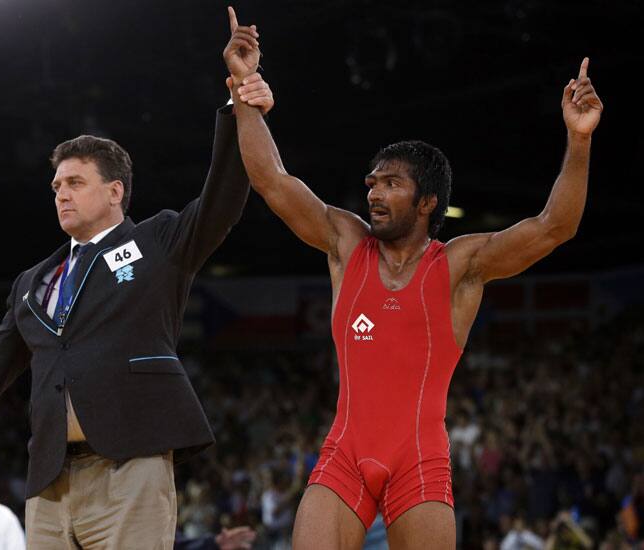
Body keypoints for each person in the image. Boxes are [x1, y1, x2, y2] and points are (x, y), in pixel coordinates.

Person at [225, 11, 603, 547]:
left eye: (391, 183)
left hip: (419, 463)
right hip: (345, 455)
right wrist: (243, 88)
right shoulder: (346, 242)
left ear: (427, 203)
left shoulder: (458, 265)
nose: (374, 192)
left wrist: (580, 142)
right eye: (372, 181)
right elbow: (272, 180)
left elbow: (554, 227)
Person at [0, 10, 274, 547]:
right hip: (50, 481)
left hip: (133, 464)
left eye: (75, 182)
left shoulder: (157, 243)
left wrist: (240, 100)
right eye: (55, 186)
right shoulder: (34, 281)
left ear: (116, 191)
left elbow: (221, 202)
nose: (61, 193)